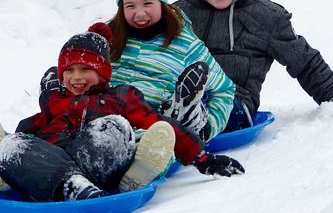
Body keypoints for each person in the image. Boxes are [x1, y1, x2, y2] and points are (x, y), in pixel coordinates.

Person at [0, 27, 244, 201]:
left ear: (103, 72)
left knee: (115, 127)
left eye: (85, 69)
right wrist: (13, 150)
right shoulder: (56, 102)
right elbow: (27, 130)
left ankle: (76, 185)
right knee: (12, 145)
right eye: (69, 70)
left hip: (97, 163)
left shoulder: (120, 98)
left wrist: (204, 159)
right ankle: (69, 185)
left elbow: (162, 124)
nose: (76, 77)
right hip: (55, 169)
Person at [174, 0, 333, 131]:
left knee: (193, 105)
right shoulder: (179, 15)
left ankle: (180, 121)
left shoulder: (266, 17)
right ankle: (163, 127)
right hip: (178, 95)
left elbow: (304, 62)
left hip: (234, 104)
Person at [104, 0, 237, 143]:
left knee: (153, 134)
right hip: (102, 121)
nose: (140, 13)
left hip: (153, 130)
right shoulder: (108, 38)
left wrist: (209, 127)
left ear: (162, 4)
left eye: (148, 3)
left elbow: (224, 89)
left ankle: (189, 115)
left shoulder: (184, 44)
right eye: (130, 6)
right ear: (121, 8)